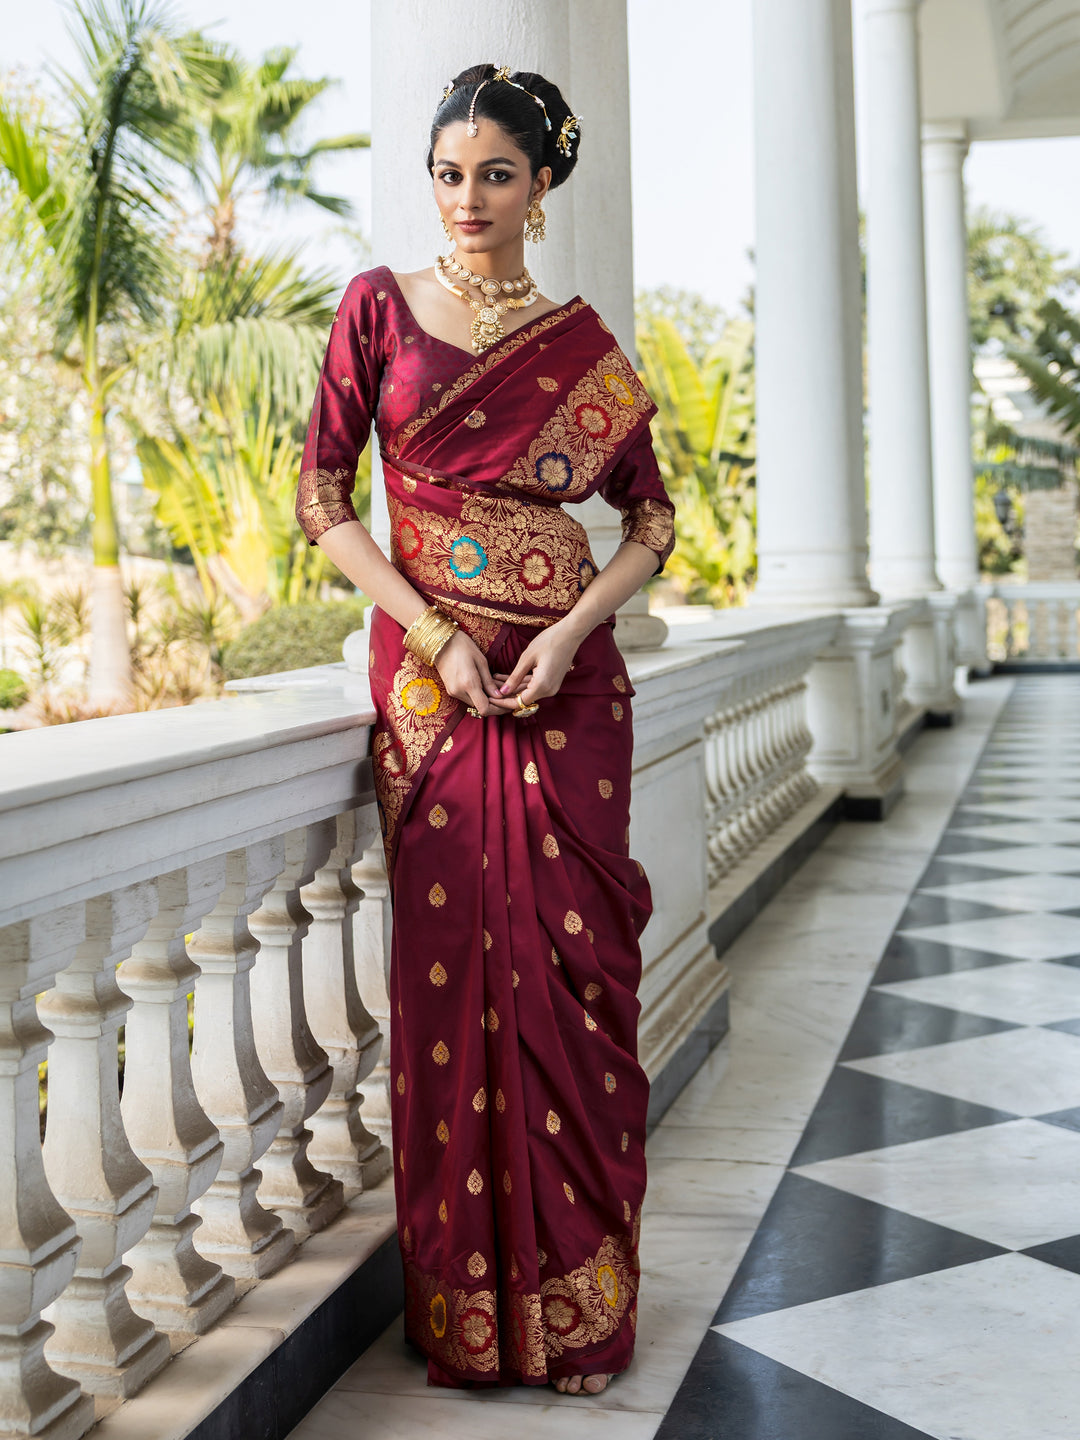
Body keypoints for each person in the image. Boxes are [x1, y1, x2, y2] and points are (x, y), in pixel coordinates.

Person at [295, 62, 674, 1396]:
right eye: (449, 173)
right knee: (454, 978)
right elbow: (323, 496)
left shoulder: (582, 347)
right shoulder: (377, 311)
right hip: (433, 696)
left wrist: (567, 637)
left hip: (569, 701)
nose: (468, 198)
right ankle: (471, 1313)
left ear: (543, 185)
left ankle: (578, 1308)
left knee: (572, 989)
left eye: (496, 175)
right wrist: (439, 631)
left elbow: (653, 523)